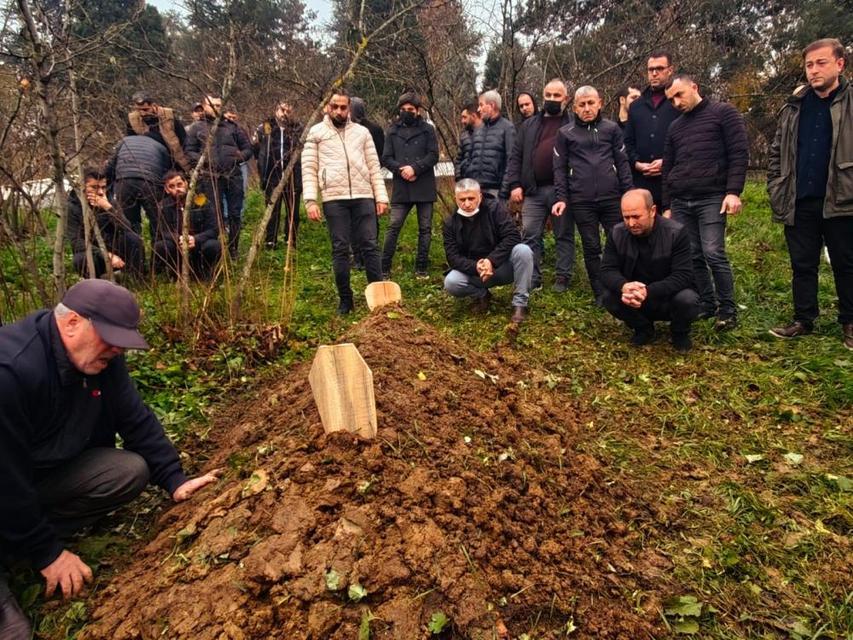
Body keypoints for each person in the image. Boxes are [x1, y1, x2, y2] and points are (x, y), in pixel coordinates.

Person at [0, 279, 219, 639]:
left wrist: (174, 478)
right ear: (72, 322)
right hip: (7, 478)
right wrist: (49, 554)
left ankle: (16, 541)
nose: (117, 349)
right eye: (111, 338)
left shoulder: (101, 361)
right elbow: (6, 479)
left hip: (33, 475)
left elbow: (134, 417)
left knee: (126, 471)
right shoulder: (11, 371)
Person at [767, 38, 853, 349]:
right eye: (809, 65)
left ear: (839, 64)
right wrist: (775, 183)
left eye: (821, 63)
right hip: (799, 198)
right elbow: (777, 150)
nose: (813, 70)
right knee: (802, 264)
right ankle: (803, 319)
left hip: (842, 198)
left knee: (846, 263)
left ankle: (850, 322)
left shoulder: (850, 102)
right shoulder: (795, 105)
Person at [662, 74, 748, 330]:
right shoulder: (675, 127)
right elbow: (668, 167)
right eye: (671, 100)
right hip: (681, 200)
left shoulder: (723, 113)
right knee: (691, 255)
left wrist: (733, 191)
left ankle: (727, 310)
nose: (676, 102)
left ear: (694, 87)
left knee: (713, 253)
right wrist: (667, 205)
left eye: (679, 95)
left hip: (711, 197)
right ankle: (707, 304)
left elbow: (738, 153)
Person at [302, 88, 389, 314]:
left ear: (349, 108)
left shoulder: (362, 133)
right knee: (340, 249)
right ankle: (345, 300)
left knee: (370, 245)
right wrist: (310, 200)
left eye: (343, 107)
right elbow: (309, 168)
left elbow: (374, 167)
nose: (339, 111)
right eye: (335, 107)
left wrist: (381, 197)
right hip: (334, 198)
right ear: (327, 107)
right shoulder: (316, 133)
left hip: (363, 195)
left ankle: (378, 299)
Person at [553, 85, 633, 303]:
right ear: (575, 107)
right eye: (582, 105)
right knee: (591, 247)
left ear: (600, 103)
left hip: (612, 198)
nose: (587, 108)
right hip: (582, 200)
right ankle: (601, 293)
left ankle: (622, 287)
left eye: (591, 103)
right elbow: (559, 169)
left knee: (619, 242)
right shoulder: (565, 133)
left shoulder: (612, 129)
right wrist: (561, 198)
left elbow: (622, 163)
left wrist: (629, 194)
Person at [600, 189, 699, 352]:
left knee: (688, 299)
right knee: (608, 297)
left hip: (667, 297)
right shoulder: (617, 233)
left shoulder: (676, 232)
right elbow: (607, 270)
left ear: (652, 211)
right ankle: (643, 328)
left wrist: (648, 291)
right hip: (634, 298)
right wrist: (624, 286)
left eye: (636, 216)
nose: (631, 223)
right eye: (626, 217)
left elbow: (683, 275)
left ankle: (679, 332)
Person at [505, 78, 575, 292]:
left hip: (561, 190)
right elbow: (516, 156)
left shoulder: (573, 124)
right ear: (543, 97)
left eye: (557, 95)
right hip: (533, 190)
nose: (552, 99)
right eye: (548, 95)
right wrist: (514, 184)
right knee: (530, 235)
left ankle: (562, 277)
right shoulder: (529, 125)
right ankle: (533, 277)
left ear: (566, 98)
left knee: (563, 234)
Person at [443, 179, 534, 325]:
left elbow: (513, 236)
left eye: (471, 198)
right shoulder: (450, 223)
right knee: (451, 282)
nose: (467, 204)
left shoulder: (495, 209)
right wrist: (476, 267)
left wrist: (491, 261)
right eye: (462, 200)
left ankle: (520, 303)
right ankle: (482, 295)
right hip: (476, 272)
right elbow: (452, 257)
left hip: (502, 267)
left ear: (480, 196)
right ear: (455, 199)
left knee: (523, 251)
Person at [185, 95, 253, 259]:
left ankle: (233, 249)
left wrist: (237, 158)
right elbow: (189, 151)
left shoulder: (233, 127)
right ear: (204, 106)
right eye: (212, 105)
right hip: (209, 177)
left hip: (233, 175)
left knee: (235, 213)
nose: (216, 108)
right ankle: (215, 249)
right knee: (213, 213)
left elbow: (248, 149)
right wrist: (205, 161)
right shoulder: (196, 128)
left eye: (218, 105)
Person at [381, 92, 439, 278]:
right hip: (401, 186)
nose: (407, 112)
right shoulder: (392, 130)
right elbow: (386, 157)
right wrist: (402, 170)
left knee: (425, 229)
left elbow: (433, 155)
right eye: (403, 109)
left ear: (418, 110)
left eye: (411, 109)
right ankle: (384, 269)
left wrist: (415, 168)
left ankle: (421, 268)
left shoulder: (428, 130)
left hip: (424, 185)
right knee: (394, 226)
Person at [624, 52, 680, 211]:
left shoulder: (678, 103)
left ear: (670, 70)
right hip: (642, 183)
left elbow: (687, 140)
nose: (654, 73)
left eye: (659, 69)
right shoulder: (636, 106)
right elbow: (628, 142)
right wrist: (637, 164)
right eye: (651, 69)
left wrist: (666, 161)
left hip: (673, 181)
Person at [66, 169, 144, 279]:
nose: (100, 192)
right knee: (81, 259)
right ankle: (96, 284)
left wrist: (108, 208)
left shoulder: (108, 199)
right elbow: (76, 242)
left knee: (133, 239)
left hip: (113, 246)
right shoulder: (72, 207)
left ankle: (134, 279)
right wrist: (105, 254)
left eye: (103, 187)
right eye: (94, 187)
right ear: (82, 187)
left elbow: (126, 227)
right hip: (94, 251)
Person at [152, 171, 221, 280]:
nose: (177, 189)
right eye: (172, 186)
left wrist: (196, 239)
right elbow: (161, 231)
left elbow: (214, 229)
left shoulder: (201, 201)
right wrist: (178, 238)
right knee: (161, 246)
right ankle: (175, 273)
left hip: (199, 244)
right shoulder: (163, 206)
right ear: (167, 190)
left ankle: (204, 272)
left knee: (214, 245)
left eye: (179, 184)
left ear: (186, 183)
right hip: (177, 246)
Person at [256, 100, 304, 250]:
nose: (285, 114)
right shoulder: (266, 127)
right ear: (276, 110)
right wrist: (262, 172)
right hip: (272, 176)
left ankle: (291, 240)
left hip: (292, 176)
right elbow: (257, 150)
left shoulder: (297, 128)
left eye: (288, 111)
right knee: (272, 210)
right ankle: (271, 241)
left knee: (293, 211)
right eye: (282, 110)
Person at [105, 133, 171, 238]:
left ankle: (134, 246)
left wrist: (107, 187)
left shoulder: (124, 141)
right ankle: (159, 245)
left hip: (124, 180)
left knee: (129, 222)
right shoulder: (161, 147)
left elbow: (110, 165)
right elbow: (167, 173)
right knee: (157, 221)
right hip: (150, 182)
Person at [349, 97, 385, 270]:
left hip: (369, 179)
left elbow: (380, 155)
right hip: (350, 181)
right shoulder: (345, 130)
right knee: (353, 218)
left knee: (369, 217)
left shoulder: (373, 129)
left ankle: (368, 254)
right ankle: (357, 255)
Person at [463, 90, 515, 199]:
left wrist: (504, 191)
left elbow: (511, 160)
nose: (478, 109)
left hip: (496, 191)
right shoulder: (478, 130)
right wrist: (467, 177)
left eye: (481, 105)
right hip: (475, 190)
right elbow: (469, 157)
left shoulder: (507, 128)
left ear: (492, 105)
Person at [126, 91, 190, 173]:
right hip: (152, 161)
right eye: (138, 110)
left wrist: (188, 158)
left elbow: (184, 138)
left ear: (154, 105)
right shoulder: (133, 121)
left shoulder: (169, 116)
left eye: (145, 109)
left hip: (175, 158)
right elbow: (131, 144)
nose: (142, 113)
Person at [223, 106, 252, 222]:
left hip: (240, 165)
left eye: (233, 117)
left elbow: (248, 148)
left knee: (241, 192)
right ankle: (225, 219)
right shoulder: (219, 129)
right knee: (224, 194)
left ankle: (239, 218)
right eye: (229, 116)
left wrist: (239, 157)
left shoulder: (240, 129)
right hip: (224, 166)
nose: (231, 119)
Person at [455, 101, 482, 180]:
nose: (462, 121)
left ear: (473, 116)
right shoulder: (464, 136)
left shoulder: (489, 133)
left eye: (465, 117)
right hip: (467, 181)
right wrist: (459, 178)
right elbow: (458, 160)